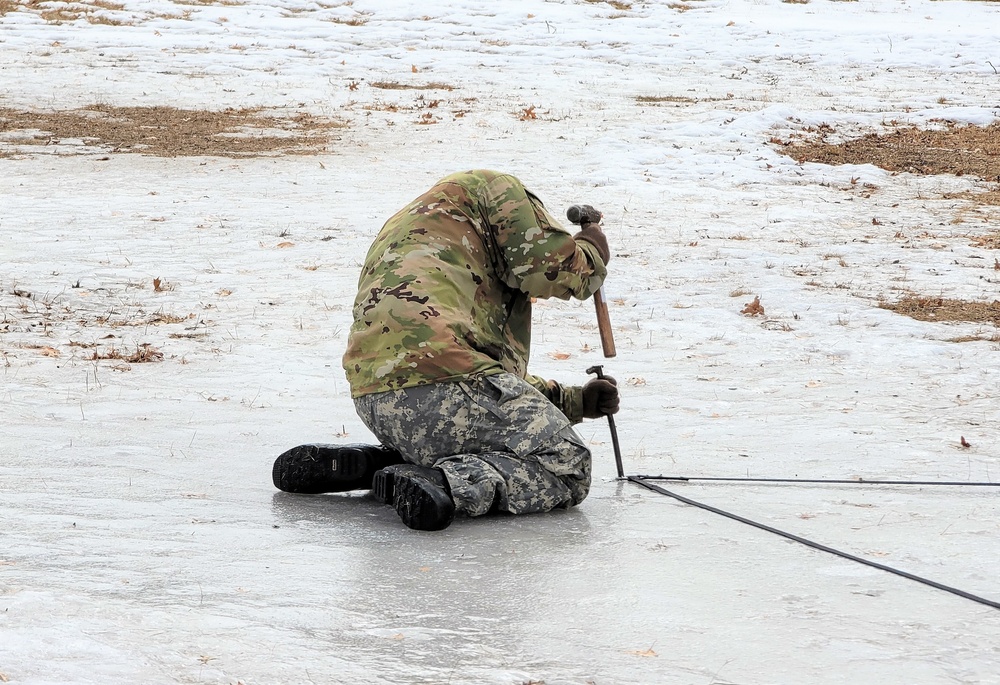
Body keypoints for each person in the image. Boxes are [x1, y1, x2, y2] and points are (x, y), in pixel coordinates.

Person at [272, 169, 620, 531]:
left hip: (375, 396)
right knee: (566, 462)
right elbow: (549, 267)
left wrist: (574, 401)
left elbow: (480, 380)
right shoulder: (502, 190)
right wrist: (593, 249)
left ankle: (382, 465)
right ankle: (447, 484)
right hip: (445, 386)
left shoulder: (421, 223)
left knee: (471, 428)